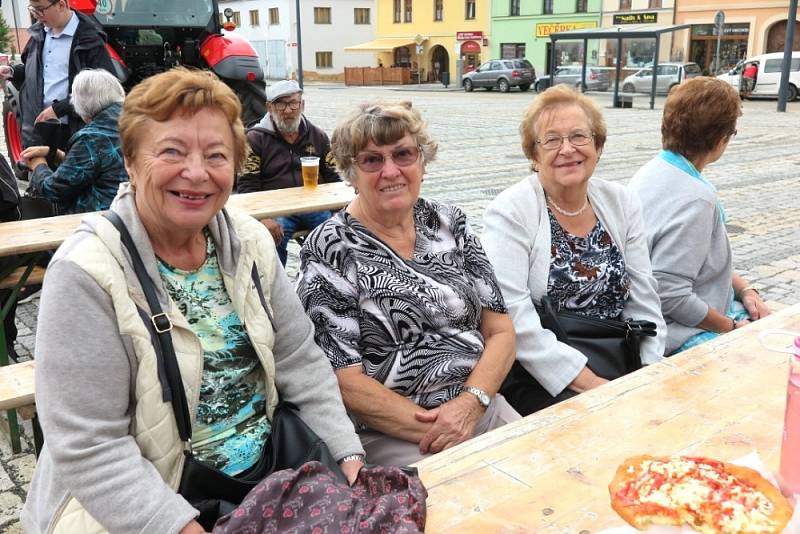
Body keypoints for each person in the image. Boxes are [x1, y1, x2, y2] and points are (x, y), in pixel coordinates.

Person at [21, 68, 365, 534]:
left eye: (217, 155)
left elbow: (299, 360)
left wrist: (345, 452)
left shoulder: (249, 241)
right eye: (172, 151)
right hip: (153, 501)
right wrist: (178, 526)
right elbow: (89, 444)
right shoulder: (86, 272)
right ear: (129, 160)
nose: (198, 173)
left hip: (270, 477)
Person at [296, 101, 520, 466]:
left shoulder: (450, 222)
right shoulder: (329, 249)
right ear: (350, 172)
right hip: (395, 434)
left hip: (480, 408)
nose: (390, 171)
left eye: (403, 154)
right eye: (371, 160)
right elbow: (343, 378)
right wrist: (441, 429)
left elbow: (501, 331)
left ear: (422, 162)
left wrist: (471, 403)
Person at [481, 85, 666, 416]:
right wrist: (592, 385)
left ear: (597, 146)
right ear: (534, 156)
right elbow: (515, 317)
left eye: (579, 136)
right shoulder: (510, 211)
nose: (567, 149)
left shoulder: (621, 202)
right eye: (551, 140)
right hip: (543, 374)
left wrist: (649, 370)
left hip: (619, 355)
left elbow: (645, 296)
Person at [629, 77, 769, 355]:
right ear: (721, 140)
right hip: (679, 334)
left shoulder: (651, 171)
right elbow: (670, 294)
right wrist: (730, 327)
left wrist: (746, 290)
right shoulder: (696, 199)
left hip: (681, 316)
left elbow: (699, 262)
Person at [237, 80, 340, 265]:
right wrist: (262, 218)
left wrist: (338, 212)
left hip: (314, 206)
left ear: (302, 105)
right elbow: (247, 185)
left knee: (334, 234)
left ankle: (328, 284)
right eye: (281, 104)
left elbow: (336, 176)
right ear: (269, 107)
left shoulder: (318, 136)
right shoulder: (254, 139)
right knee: (271, 237)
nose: (288, 110)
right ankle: (278, 290)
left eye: (293, 103)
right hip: (275, 210)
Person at [0, 0, 115, 150]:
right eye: (33, 10)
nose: (37, 16)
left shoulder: (90, 40)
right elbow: (38, 74)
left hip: (75, 133)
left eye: (40, 10)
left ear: (61, 4)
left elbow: (103, 90)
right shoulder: (38, 35)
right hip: (39, 132)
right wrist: (12, 72)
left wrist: (58, 109)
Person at [20, 69, 128, 215]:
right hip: (133, 212)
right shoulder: (132, 121)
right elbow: (105, 166)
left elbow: (53, 189)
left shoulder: (90, 138)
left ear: (81, 105)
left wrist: (38, 165)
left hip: (99, 221)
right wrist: (57, 154)